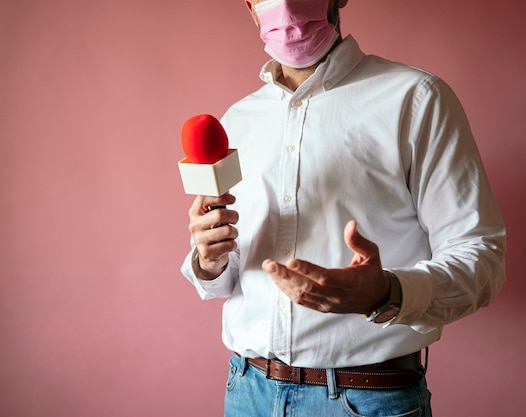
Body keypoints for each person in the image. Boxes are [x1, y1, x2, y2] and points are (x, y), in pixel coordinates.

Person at [181, 0, 506, 416]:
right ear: (249, 6)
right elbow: (228, 277)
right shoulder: (239, 120)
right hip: (248, 393)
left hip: (369, 399)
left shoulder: (417, 99)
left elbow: (482, 260)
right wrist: (209, 260)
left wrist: (387, 292)